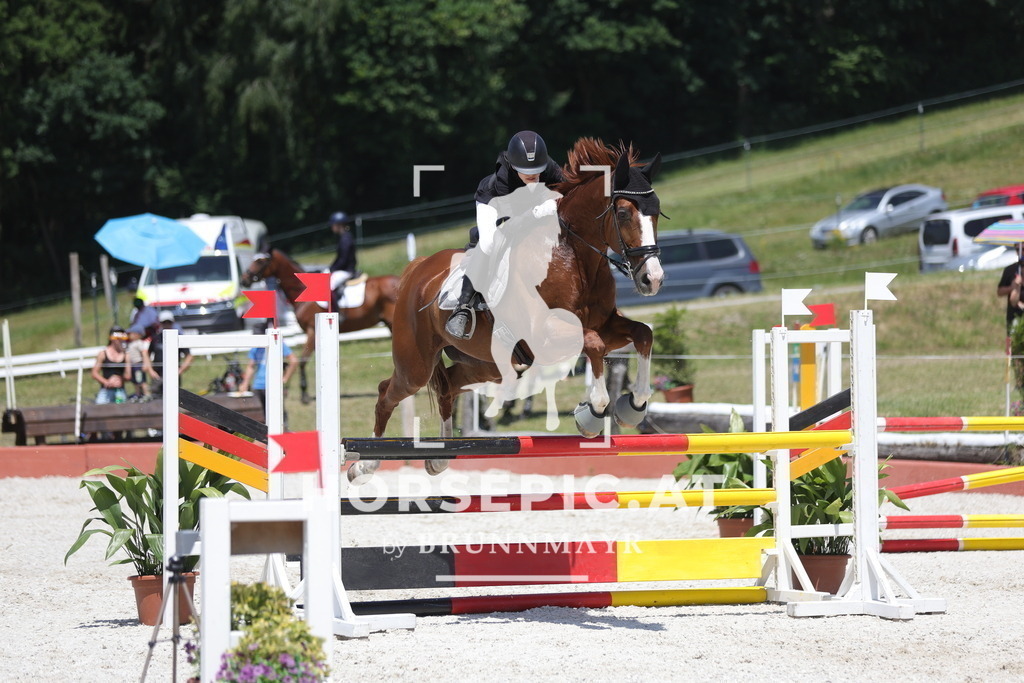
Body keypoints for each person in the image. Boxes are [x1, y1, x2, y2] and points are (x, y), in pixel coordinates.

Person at [446, 130, 565, 339]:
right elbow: (511, 226)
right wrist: (538, 210)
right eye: (528, 173)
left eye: (538, 172)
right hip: (493, 204)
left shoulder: (550, 167)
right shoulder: (503, 180)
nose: (534, 177)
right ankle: (462, 308)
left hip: (527, 208)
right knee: (490, 244)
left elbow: (567, 190)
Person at [239, 323, 299, 424]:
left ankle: (283, 434)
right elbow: (251, 366)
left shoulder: (278, 344)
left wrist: (285, 378)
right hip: (258, 386)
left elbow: (294, 360)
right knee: (261, 415)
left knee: (278, 413)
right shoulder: (255, 348)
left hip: (274, 385)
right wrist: (245, 383)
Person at [146, 311, 193, 394]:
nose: (166, 325)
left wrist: (180, 370)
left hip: (173, 376)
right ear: (160, 323)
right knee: (155, 400)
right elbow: (147, 354)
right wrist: (150, 370)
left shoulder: (178, 338)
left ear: (173, 323)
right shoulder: (155, 338)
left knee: (174, 399)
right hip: (157, 376)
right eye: (164, 322)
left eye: (169, 322)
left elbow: (189, 356)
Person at [91, 326, 130, 404]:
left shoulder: (126, 355)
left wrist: (120, 380)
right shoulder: (103, 354)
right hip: (105, 390)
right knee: (100, 408)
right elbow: (94, 373)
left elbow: (128, 375)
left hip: (119, 389)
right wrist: (106, 382)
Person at [997, 243, 1024, 352]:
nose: (1020, 251)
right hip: (1014, 316)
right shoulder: (1010, 270)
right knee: (1015, 349)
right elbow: (1000, 292)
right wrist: (1013, 286)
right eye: (1017, 249)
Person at [328, 211, 357, 291]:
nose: (331, 227)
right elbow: (339, 258)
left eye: (333, 225)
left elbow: (343, 259)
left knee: (326, 286)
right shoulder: (343, 237)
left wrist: (332, 269)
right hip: (343, 270)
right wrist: (330, 268)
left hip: (346, 271)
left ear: (339, 225)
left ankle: (333, 304)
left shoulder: (345, 239)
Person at [125, 329, 151, 400]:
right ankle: (137, 393)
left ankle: (146, 393)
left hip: (138, 364)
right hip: (133, 365)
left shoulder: (139, 343)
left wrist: (145, 364)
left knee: (141, 380)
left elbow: (143, 353)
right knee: (135, 381)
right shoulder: (130, 344)